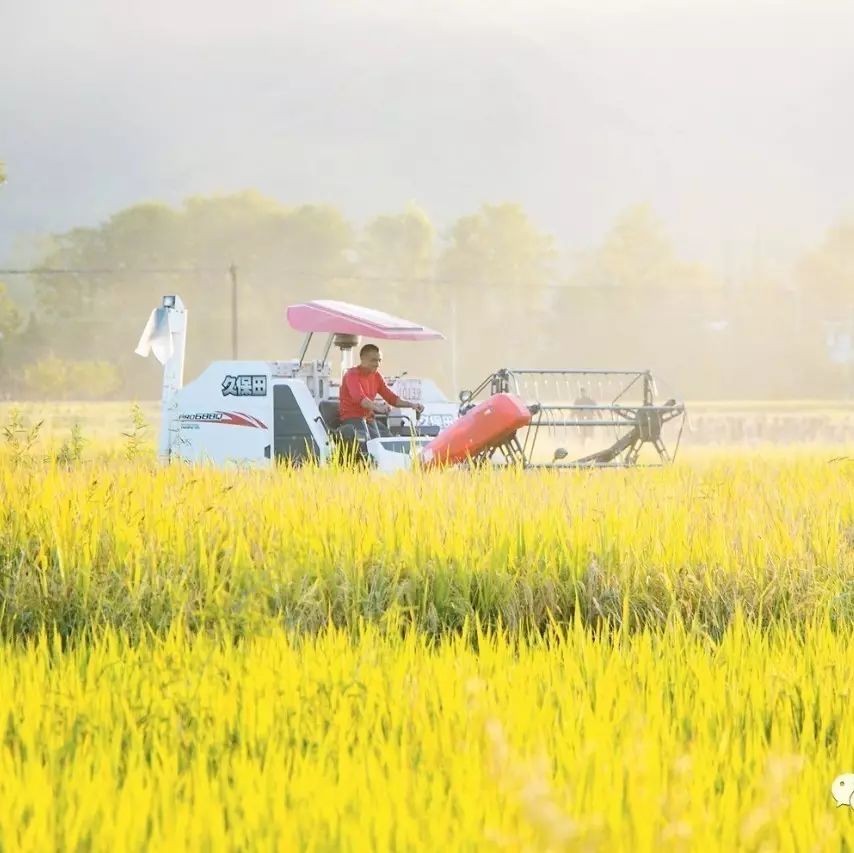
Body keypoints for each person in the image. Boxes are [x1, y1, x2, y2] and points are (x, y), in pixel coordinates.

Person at [338, 343, 424, 441]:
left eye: (379, 360)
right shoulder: (351, 375)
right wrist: (379, 407)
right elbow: (361, 399)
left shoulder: (377, 376)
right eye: (374, 360)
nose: (378, 364)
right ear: (362, 359)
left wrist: (412, 405)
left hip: (369, 419)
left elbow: (391, 398)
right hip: (352, 419)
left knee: (390, 441)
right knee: (375, 443)